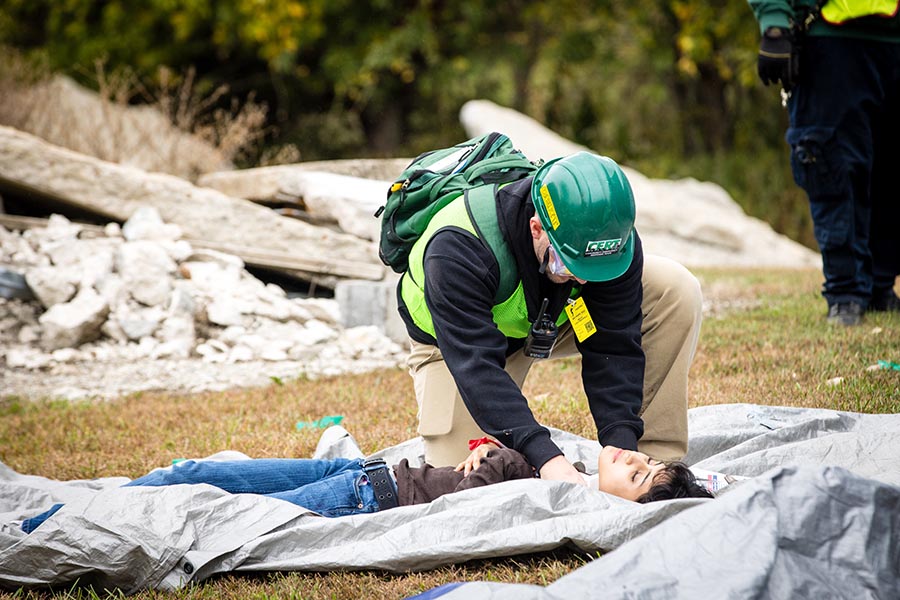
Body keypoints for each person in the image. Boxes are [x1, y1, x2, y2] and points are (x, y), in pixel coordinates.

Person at [396, 151, 703, 483]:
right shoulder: (457, 249)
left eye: (594, 270)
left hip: (549, 316)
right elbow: (476, 366)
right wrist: (546, 458)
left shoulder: (607, 241)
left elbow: (614, 345)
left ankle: (652, 460)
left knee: (674, 288)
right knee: (470, 480)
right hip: (456, 346)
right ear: (536, 228)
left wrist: (622, 451)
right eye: (567, 264)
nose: (584, 281)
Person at [19, 442, 713, 534]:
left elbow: (498, 487)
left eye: (638, 475)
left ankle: (60, 524)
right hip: (365, 474)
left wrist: (498, 455)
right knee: (197, 475)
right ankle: (96, 499)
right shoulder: (569, 464)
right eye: (643, 459)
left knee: (198, 510)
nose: (629, 459)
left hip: (366, 500)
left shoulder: (563, 499)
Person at [748, 0, 900, 326]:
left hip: (893, 36)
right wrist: (774, 19)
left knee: (890, 171)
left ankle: (879, 285)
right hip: (828, 32)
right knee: (834, 165)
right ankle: (846, 292)